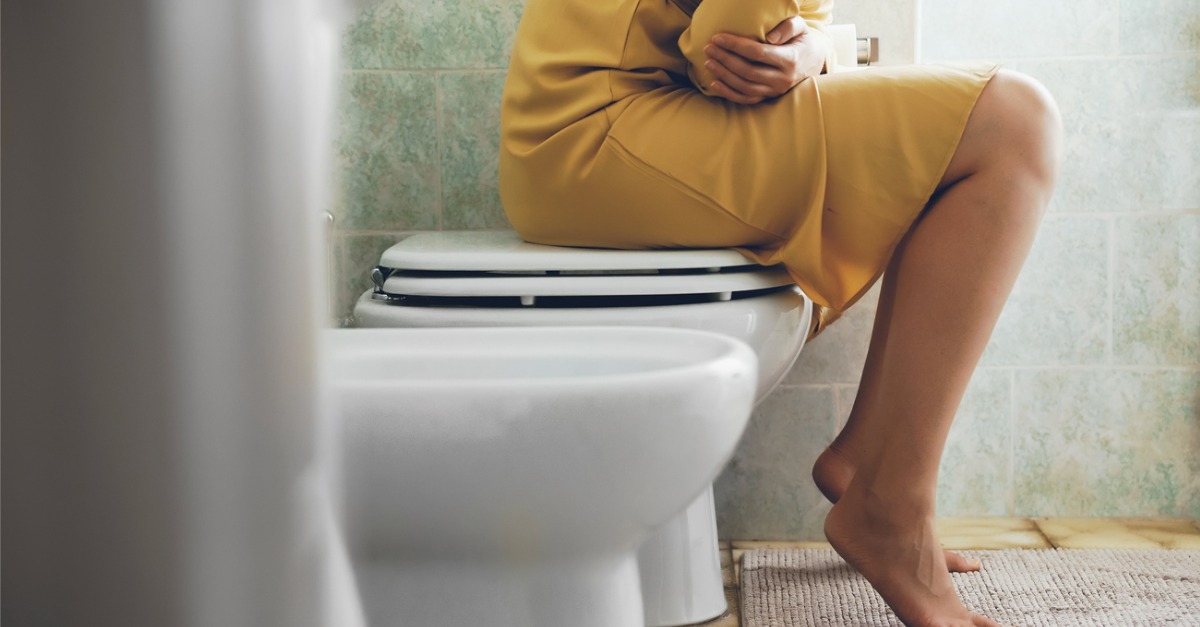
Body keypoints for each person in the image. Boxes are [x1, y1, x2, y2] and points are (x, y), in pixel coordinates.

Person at [498, 0, 1061, 624]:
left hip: (581, 126)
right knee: (1014, 123)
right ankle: (889, 513)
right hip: (597, 135)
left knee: (964, 132)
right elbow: (732, 56)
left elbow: (757, 36)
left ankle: (870, 460)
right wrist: (801, 49)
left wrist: (816, 50)